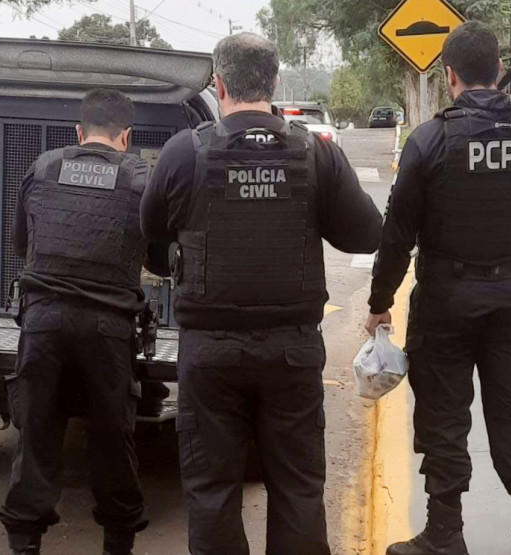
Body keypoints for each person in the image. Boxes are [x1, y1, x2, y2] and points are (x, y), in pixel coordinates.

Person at [140, 33, 383, 555]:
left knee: (211, 492)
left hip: (208, 352)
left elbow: (149, 240)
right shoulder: (315, 153)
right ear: (274, 82)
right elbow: (366, 235)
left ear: (218, 83)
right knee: (297, 487)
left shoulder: (185, 152)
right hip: (291, 351)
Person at [366, 21, 511, 555]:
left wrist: (380, 304)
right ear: (498, 69)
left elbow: (397, 235)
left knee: (445, 417)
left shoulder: (431, 140)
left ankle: (445, 535)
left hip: (447, 302)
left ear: (448, 74)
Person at [0, 88, 167, 555]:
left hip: (42, 323)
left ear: (79, 131)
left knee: (36, 436)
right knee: (113, 440)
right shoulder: (139, 178)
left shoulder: (45, 166)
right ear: (126, 136)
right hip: (108, 329)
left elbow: (20, 244)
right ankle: (117, 544)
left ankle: (24, 544)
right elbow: (159, 257)